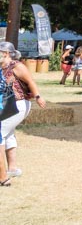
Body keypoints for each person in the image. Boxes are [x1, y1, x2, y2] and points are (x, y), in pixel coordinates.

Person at [1, 41, 47, 180]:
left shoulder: (17, 66)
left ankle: (2, 174)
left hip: (18, 104)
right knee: (8, 134)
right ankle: (12, 169)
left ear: (6, 53)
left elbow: (31, 82)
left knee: (1, 132)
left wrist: (38, 96)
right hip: (6, 105)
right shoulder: (1, 67)